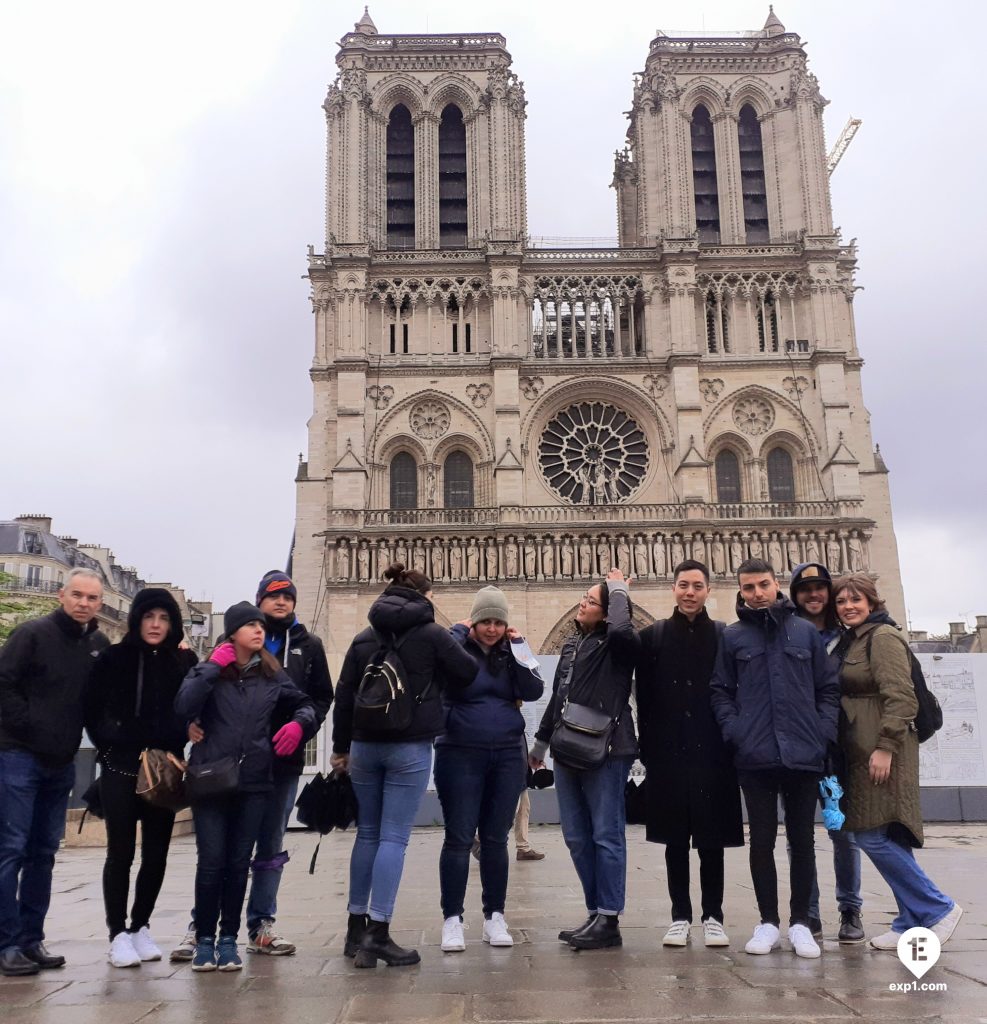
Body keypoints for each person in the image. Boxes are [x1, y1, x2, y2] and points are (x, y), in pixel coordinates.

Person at [330, 564, 478, 968]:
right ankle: (379, 932)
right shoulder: (431, 635)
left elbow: (343, 697)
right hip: (408, 748)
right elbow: (467, 671)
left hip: (364, 746)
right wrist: (456, 638)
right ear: (424, 597)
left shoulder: (364, 637)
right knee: (394, 838)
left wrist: (341, 749)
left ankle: (355, 930)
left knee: (368, 836)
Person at [174, 602, 315, 973]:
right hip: (211, 780)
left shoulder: (271, 673)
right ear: (233, 631)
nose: (258, 630)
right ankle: (204, 939)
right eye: (250, 625)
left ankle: (228, 939)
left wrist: (298, 724)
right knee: (211, 862)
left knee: (238, 864)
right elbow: (183, 705)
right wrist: (211, 668)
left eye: (260, 625)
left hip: (253, 781)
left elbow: (305, 703)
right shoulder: (210, 670)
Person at [710, 559, 839, 960]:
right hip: (756, 754)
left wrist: (821, 733)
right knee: (761, 841)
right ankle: (767, 921)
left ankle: (801, 923)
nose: (756, 593)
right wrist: (736, 731)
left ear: (776, 584)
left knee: (802, 841)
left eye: (763, 585)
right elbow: (720, 690)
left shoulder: (804, 631)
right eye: (748, 588)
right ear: (740, 591)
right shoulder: (732, 637)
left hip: (803, 752)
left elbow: (828, 688)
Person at [831, 574, 962, 950]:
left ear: (872, 602)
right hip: (865, 750)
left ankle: (938, 908)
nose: (848, 607)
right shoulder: (854, 639)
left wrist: (885, 746)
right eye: (841, 602)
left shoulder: (883, 638)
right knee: (887, 834)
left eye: (856, 600)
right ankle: (908, 921)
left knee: (871, 834)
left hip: (884, 751)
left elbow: (902, 697)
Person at [0, 567, 108, 976]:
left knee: (43, 853)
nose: (84, 603)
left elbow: (97, 702)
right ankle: (6, 942)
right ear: (61, 595)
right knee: (10, 849)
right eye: (78, 595)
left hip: (60, 761)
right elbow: (3, 683)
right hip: (18, 755)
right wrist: (29, 726)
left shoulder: (97, 643)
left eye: (92, 598)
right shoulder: (32, 634)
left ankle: (31, 939)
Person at [84, 588, 198, 968]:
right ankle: (117, 932)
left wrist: (177, 740)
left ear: (173, 624)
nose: (155, 624)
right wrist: (115, 741)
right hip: (121, 764)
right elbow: (93, 709)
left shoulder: (183, 662)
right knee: (120, 852)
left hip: (164, 766)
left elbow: (193, 710)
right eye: (149, 616)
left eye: (164, 618)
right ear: (137, 619)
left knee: (157, 853)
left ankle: (140, 926)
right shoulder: (114, 657)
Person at [530, 569, 638, 950]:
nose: (582, 603)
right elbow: (559, 698)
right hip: (567, 748)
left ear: (609, 613)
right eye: (585, 597)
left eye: (591, 601)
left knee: (606, 834)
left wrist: (620, 589)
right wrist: (540, 745)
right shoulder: (572, 645)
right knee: (576, 836)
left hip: (608, 749)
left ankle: (609, 917)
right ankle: (596, 913)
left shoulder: (619, 645)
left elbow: (625, 631)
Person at [636, 560, 742, 949]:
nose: (690, 592)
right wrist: (649, 749)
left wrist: (732, 741)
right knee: (674, 841)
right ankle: (679, 915)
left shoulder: (724, 636)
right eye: (683, 585)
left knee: (711, 840)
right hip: (669, 752)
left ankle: (713, 916)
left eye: (697, 585)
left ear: (709, 590)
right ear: (673, 588)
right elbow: (643, 697)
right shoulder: (653, 637)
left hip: (714, 752)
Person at [436, 586, 543, 952]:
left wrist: (521, 645)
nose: (493, 628)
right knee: (459, 837)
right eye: (486, 622)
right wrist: (457, 632)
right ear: (474, 621)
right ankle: (452, 919)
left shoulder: (510, 653)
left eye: (499, 622)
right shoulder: (456, 650)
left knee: (496, 839)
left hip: (506, 757)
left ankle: (494, 916)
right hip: (460, 753)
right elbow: (435, 667)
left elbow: (533, 689)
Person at [243, 570, 333, 957]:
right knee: (229, 844)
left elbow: (321, 698)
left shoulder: (309, 645)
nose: (281, 602)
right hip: (241, 760)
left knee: (272, 843)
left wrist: (302, 725)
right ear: (260, 599)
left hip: (284, 759)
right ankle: (206, 925)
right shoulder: (241, 639)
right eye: (274, 596)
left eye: (288, 596)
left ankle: (262, 923)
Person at [788, 563, 864, 944]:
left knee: (842, 832)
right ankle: (808, 913)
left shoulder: (850, 638)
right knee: (799, 836)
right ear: (795, 596)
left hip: (836, 750)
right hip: (799, 751)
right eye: (805, 590)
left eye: (820, 589)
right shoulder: (787, 635)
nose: (813, 595)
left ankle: (850, 909)